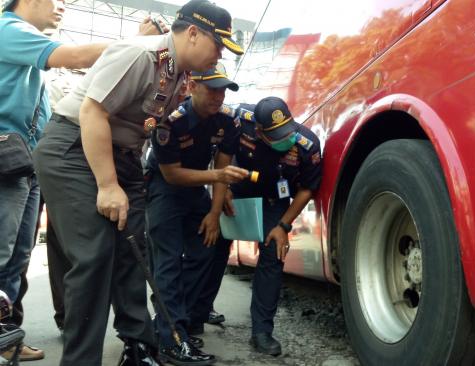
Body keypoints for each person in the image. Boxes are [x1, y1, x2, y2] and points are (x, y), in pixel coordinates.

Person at [32, 0, 248, 364]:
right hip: (73, 149)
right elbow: (92, 111)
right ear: (193, 33)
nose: (221, 53)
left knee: (134, 254)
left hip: (123, 156)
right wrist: (106, 185)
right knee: (95, 254)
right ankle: (81, 359)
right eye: (219, 43)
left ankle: (139, 348)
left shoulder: (178, 73)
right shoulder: (139, 54)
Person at [0, 0, 139, 360]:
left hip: (24, 162)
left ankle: (7, 338)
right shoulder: (9, 30)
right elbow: (75, 57)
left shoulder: (23, 39)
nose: (62, 7)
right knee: (2, 254)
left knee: (18, 257)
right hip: (5, 157)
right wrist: (136, 46)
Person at [146, 62, 245, 364]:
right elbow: (174, 175)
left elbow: (223, 168)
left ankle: (171, 326)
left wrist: (214, 215)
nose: (219, 97)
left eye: (223, 91)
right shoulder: (169, 122)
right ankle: (173, 340)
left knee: (205, 250)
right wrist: (217, 178)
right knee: (169, 261)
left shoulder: (228, 121)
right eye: (212, 89)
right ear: (192, 87)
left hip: (197, 188)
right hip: (164, 188)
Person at [228, 96, 323, 356]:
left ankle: (261, 332)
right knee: (212, 245)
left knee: (273, 254)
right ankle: (195, 314)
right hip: (237, 189)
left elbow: (307, 189)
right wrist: (221, 190)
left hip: (274, 199)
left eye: (288, 131)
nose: (286, 139)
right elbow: (222, 152)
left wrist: (283, 225)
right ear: (259, 131)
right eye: (276, 135)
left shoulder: (307, 144)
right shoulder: (241, 120)